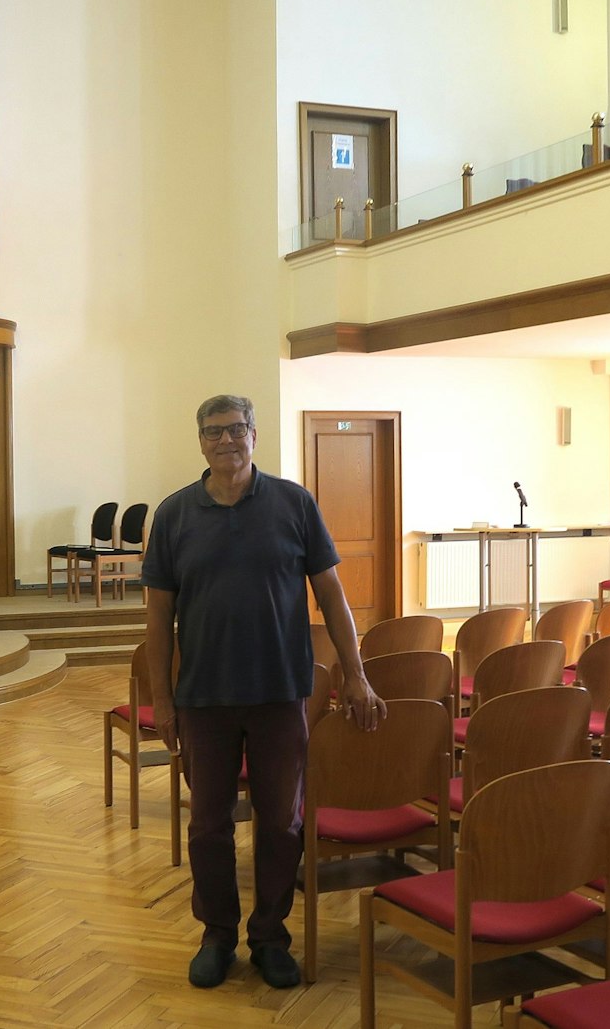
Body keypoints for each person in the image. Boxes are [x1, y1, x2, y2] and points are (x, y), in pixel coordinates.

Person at [142, 393, 385, 991]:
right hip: (203, 698)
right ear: (200, 441)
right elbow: (158, 617)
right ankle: (217, 936)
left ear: (253, 434)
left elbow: (332, 596)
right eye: (213, 431)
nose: (226, 440)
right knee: (208, 826)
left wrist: (356, 674)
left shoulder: (294, 503)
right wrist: (163, 701)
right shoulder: (174, 514)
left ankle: (271, 937)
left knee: (281, 823)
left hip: (280, 693)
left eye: (235, 429)